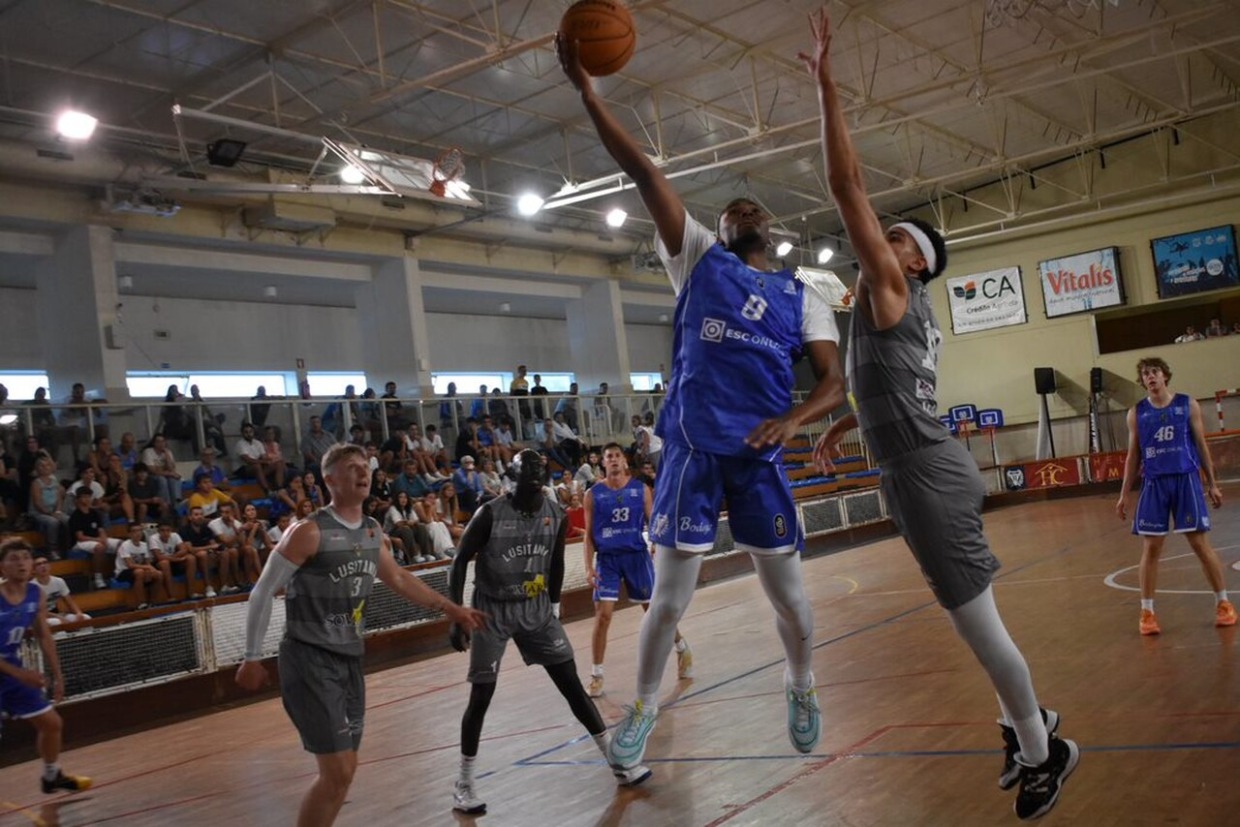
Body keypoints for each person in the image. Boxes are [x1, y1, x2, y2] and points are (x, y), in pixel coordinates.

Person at [802, 11, 1075, 821]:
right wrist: (843, 426)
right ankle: (1026, 727)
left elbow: (845, 186)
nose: (877, 243)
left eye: (892, 239)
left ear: (914, 259)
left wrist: (826, 86)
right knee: (970, 622)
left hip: (925, 473)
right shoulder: (891, 314)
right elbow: (885, 388)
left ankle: (1041, 746)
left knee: (977, 626)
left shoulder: (893, 290)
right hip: (918, 463)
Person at [559, 25, 846, 776]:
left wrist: (794, 417)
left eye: (752, 208)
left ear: (771, 231)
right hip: (691, 449)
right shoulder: (696, 259)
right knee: (669, 601)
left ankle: (801, 681)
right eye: (730, 209)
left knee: (792, 602)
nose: (741, 210)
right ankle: (646, 706)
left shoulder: (801, 293)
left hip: (757, 456)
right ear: (719, 230)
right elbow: (641, 169)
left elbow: (833, 383)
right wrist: (590, 95)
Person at [235, 443, 485, 827]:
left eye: (364, 465)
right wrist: (252, 656)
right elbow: (263, 590)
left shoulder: (372, 531)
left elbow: (399, 578)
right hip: (309, 658)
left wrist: (451, 608)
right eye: (350, 467)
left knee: (344, 772)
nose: (362, 471)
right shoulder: (308, 531)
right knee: (336, 772)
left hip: (350, 658)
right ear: (330, 479)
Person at [446, 449, 650, 815]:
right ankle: (464, 783)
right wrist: (455, 615)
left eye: (541, 469)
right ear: (513, 473)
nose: (537, 474)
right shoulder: (490, 513)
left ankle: (617, 763)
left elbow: (555, 562)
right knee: (481, 697)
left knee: (572, 685)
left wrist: (554, 607)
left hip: (536, 609)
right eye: (529, 470)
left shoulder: (554, 513)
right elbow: (459, 560)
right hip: (492, 610)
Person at [1115, 356, 1234, 634]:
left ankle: (1224, 603)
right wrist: (1124, 494)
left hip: (1185, 480)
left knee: (1199, 544)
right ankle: (1147, 612)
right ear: (1142, 380)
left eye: (1155, 371)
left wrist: (1212, 483)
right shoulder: (1136, 413)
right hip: (1154, 483)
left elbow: (1202, 446)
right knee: (1151, 547)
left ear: (1165, 376)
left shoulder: (1186, 404)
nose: (1151, 377)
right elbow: (1133, 456)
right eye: (1145, 373)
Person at [583, 443, 691, 699]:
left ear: (625, 462)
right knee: (603, 616)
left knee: (655, 613)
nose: (613, 460)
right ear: (603, 463)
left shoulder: (641, 490)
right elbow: (587, 536)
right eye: (608, 457)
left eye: (617, 456)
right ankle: (597, 675)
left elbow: (652, 521)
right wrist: (589, 567)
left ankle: (682, 648)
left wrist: (656, 543)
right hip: (607, 559)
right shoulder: (593, 494)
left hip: (636, 556)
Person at [0, 538, 92, 796]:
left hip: (11, 671)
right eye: (13, 558)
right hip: (12, 671)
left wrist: (57, 674)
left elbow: (43, 634)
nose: (21, 563)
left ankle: (52, 776)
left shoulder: (35, 593)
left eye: (25, 557)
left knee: (51, 723)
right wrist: (21, 673)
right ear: (1, 567)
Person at [32, 556, 91, 626]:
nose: (43, 566)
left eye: (45, 563)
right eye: (39, 564)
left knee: (86, 618)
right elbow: (39, 611)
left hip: (57, 614)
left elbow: (69, 602)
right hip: (39, 618)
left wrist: (78, 613)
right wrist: (59, 618)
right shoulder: (32, 587)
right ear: (33, 570)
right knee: (57, 622)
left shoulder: (59, 581)